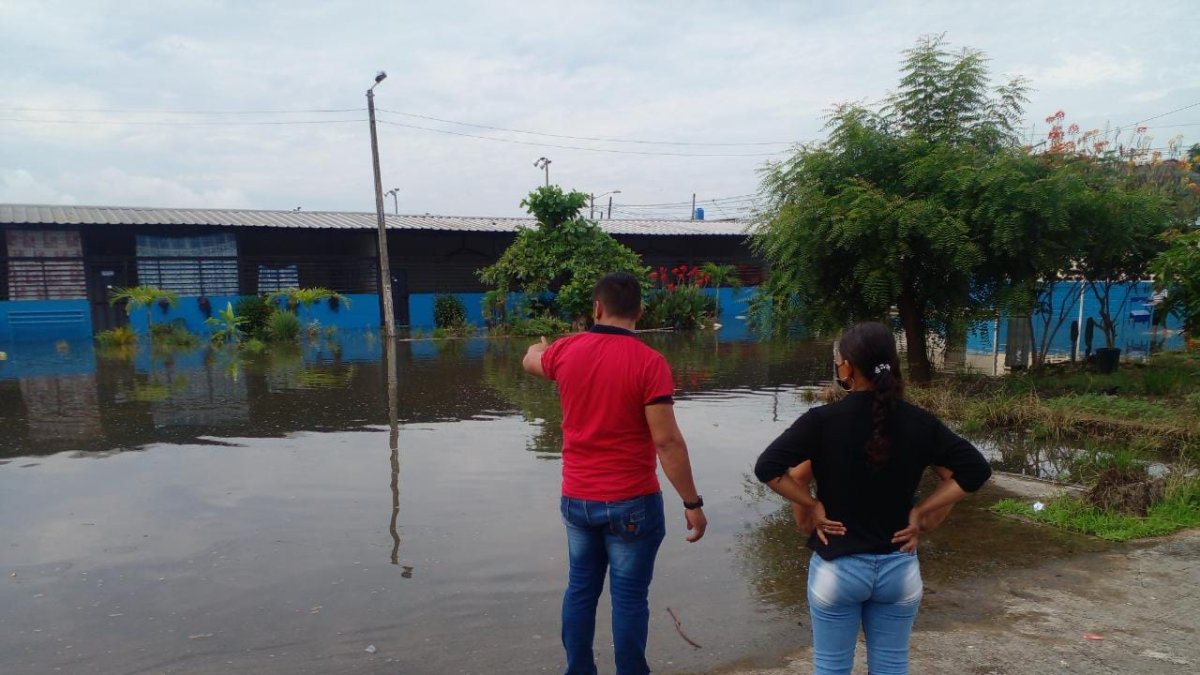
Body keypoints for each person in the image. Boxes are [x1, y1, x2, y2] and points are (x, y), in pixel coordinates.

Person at [754, 321, 991, 675]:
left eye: (838, 361)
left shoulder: (822, 421)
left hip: (838, 568)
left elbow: (767, 467)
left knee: (831, 667)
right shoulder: (920, 423)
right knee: (892, 665)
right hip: (899, 568)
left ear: (846, 366)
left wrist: (812, 505)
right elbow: (975, 470)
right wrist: (922, 510)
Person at [523, 272, 707, 675]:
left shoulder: (567, 351)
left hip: (577, 500)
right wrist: (692, 502)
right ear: (640, 312)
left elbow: (530, 361)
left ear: (597, 307)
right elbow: (667, 442)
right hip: (632, 503)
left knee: (581, 591)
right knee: (628, 599)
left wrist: (541, 347)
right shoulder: (650, 363)